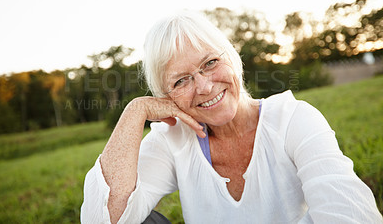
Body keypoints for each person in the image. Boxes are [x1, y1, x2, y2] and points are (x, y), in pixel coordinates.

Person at [81, 11, 382, 223]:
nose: (204, 87)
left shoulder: (294, 119)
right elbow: (103, 218)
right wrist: (136, 111)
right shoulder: (172, 140)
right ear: (166, 97)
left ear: (233, 59)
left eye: (210, 63)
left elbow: (350, 214)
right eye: (180, 81)